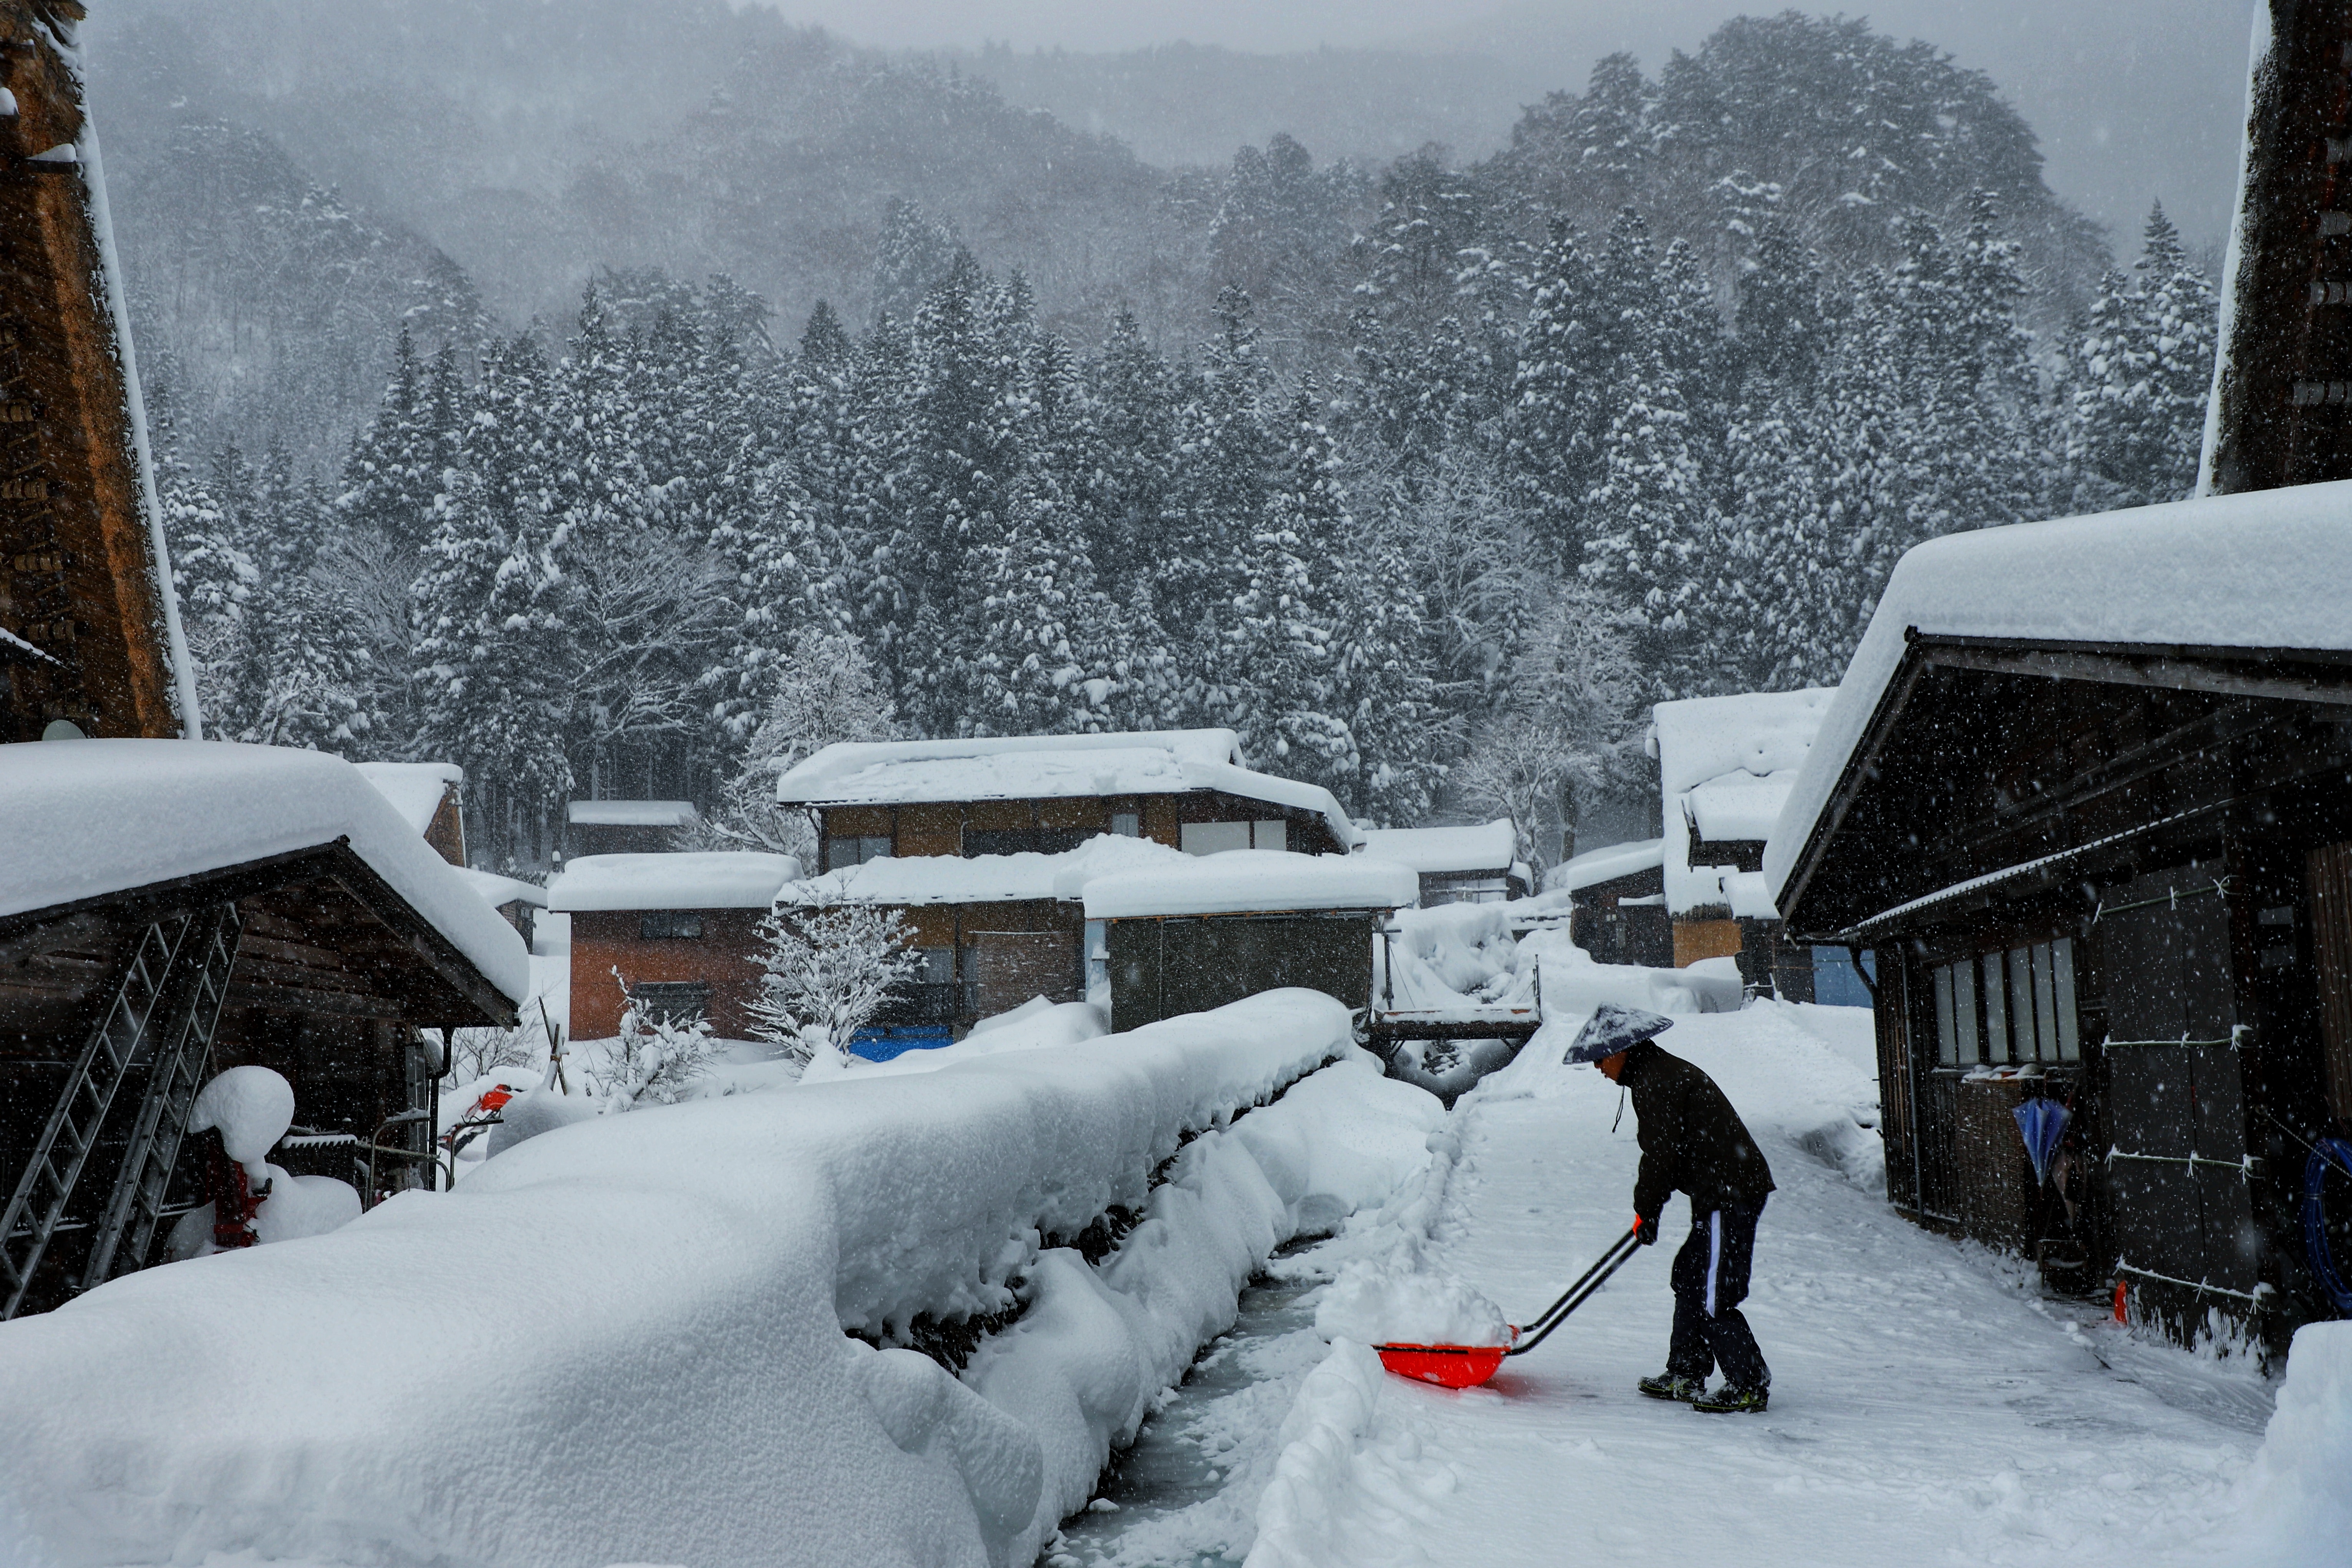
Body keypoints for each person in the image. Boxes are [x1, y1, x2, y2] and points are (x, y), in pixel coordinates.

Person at [1563, 1002, 1775, 1414]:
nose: (1597, 1068)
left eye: (1600, 1058)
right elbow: (1668, 1154)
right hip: (1719, 1192)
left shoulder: (1657, 1080)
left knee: (1715, 1288)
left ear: (1623, 1049)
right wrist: (1650, 1211)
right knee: (1692, 1275)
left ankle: (1749, 1383)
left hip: (1730, 1193)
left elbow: (1661, 1156)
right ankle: (1686, 1370)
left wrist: (1648, 1209)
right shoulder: (1653, 1073)